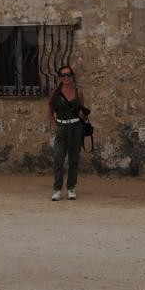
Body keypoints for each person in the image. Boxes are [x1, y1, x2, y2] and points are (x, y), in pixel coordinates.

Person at [47, 64, 89, 201]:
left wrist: (84, 116)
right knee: (59, 159)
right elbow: (49, 112)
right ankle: (57, 189)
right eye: (63, 75)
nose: (66, 77)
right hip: (62, 128)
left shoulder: (78, 92)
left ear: (72, 76)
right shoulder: (56, 93)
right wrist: (56, 126)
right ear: (60, 77)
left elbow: (83, 111)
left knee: (74, 160)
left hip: (76, 127)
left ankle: (71, 188)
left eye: (68, 75)